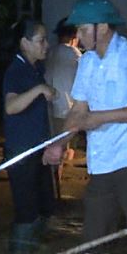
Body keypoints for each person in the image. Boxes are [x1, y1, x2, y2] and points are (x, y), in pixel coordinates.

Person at [44, 0, 127, 254]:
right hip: (101, 162)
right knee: (95, 237)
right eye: (78, 30)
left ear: (104, 27)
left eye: (84, 29)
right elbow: (78, 110)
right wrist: (60, 142)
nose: (79, 36)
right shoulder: (88, 63)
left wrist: (104, 118)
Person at [2, 20, 55, 253]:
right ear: (24, 43)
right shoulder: (16, 70)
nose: (46, 45)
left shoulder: (36, 68)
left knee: (45, 207)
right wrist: (39, 90)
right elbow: (11, 107)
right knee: (26, 212)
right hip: (21, 152)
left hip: (38, 149)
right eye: (41, 40)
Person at [44, 18, 81, 164]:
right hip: (67, 108)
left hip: (49, 107)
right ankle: (55, 181)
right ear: (74, 37)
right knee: (61, 151)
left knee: (52, 146)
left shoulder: (50, 52)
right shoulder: (75, 54)